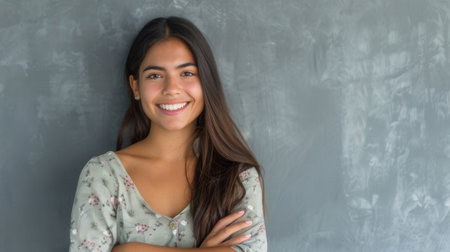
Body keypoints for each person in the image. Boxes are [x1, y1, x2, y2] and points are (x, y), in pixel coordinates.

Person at [69, 16, 267, 252]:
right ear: (135, 87)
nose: (171, 89)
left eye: (187, 73)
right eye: (155, 75)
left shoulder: (239, 179)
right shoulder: (103, 176)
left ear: (207, 82)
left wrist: (129, 249)